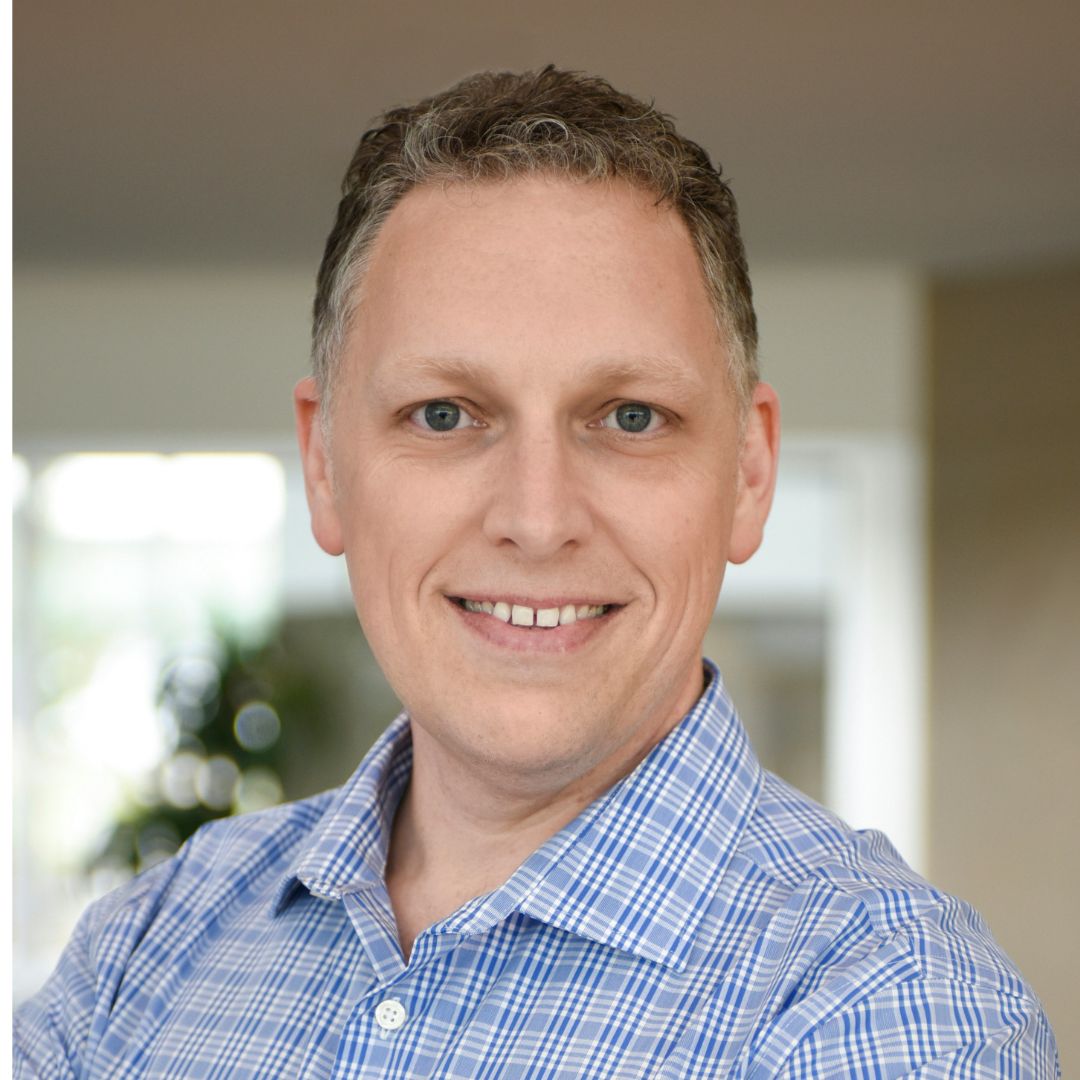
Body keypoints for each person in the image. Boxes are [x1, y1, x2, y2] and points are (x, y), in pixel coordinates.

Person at [15, 66, 1059, 1078]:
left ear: (749, 472)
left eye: (630, 417)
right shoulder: (149, 950)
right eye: (444, 415)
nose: (537, 518)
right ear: (324, 465)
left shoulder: (892, 1009)